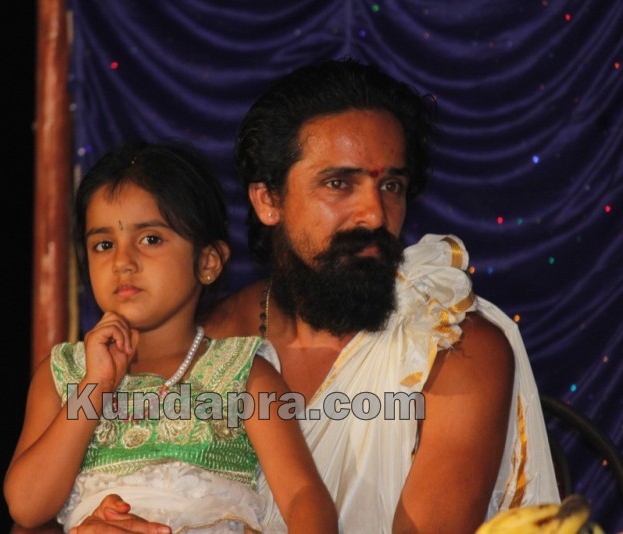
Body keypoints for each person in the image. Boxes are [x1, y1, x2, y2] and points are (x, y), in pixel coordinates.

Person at [83, 59, 560, 533]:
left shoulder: (450, 347)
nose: (374, 214)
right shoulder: (200, 341)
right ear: (268, 200)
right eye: (339, 184)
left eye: (391, 185)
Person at [4, 142, 338, 533]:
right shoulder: (63, 376)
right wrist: (95, 387)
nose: (122, 262)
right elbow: (26, 506)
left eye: (150, 239)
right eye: (104, 245)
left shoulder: (245, 375)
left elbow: (302, 496)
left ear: (207, 262)